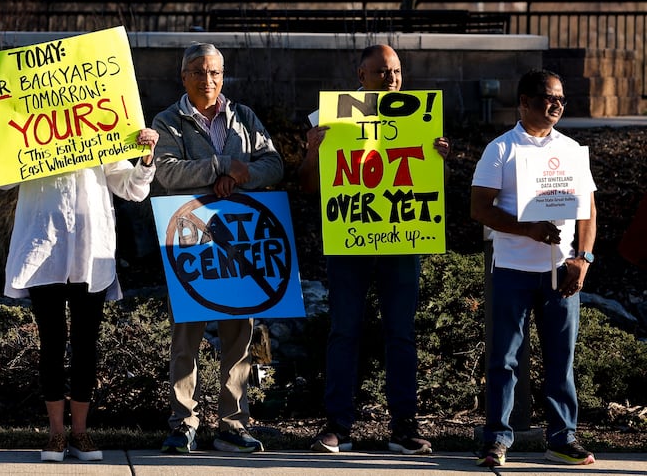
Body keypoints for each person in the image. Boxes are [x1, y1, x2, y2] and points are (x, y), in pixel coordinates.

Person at [0, 97, 159, 463]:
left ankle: (81, 434)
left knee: (86, 345)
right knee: (51, 343)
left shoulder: (101, 129)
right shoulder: (33, 133)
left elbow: (132, 189)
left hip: (90, 251)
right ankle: (55, 435)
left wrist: (145, 157)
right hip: (45, 251)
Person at [298, 44, 448, 454]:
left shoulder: (420, 118)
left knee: (401, 334)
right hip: (351, 243)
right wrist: (313, 150)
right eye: (382, 72)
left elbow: (425, 187)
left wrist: (438, 160)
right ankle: (338, 427)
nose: (392, 80)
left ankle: (404, 426)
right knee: (344, 331)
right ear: (360, 76)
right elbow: (307, 186)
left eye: (397, 72)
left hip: (402, 244)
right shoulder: (331, 119)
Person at [152, 42, 284, 454]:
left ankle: (233, 424)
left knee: (239, 338)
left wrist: (239, 177)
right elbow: (167, 173)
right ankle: (183, 423)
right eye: (198, 72)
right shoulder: (168, 121)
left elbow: (273, 164)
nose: (207, 80)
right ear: (183, 76)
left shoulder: (243, 117)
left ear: (223, 76)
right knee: (186, 336)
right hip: (190, 241)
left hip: (241, 240)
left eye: (214, 73)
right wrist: (221, 166)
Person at [470, 68, 597, 467]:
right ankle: (496, 439)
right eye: (547, 97)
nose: (556, 104)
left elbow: (589, 210)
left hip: (562, 270)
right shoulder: (501, 150)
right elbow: (479, 208)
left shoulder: (573, 150)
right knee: (504, 359)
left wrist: (584, 258)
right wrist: (527, 229)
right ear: (524, 102)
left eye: (561, 97)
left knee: (562, 357)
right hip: (512, 269)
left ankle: (562, 438)